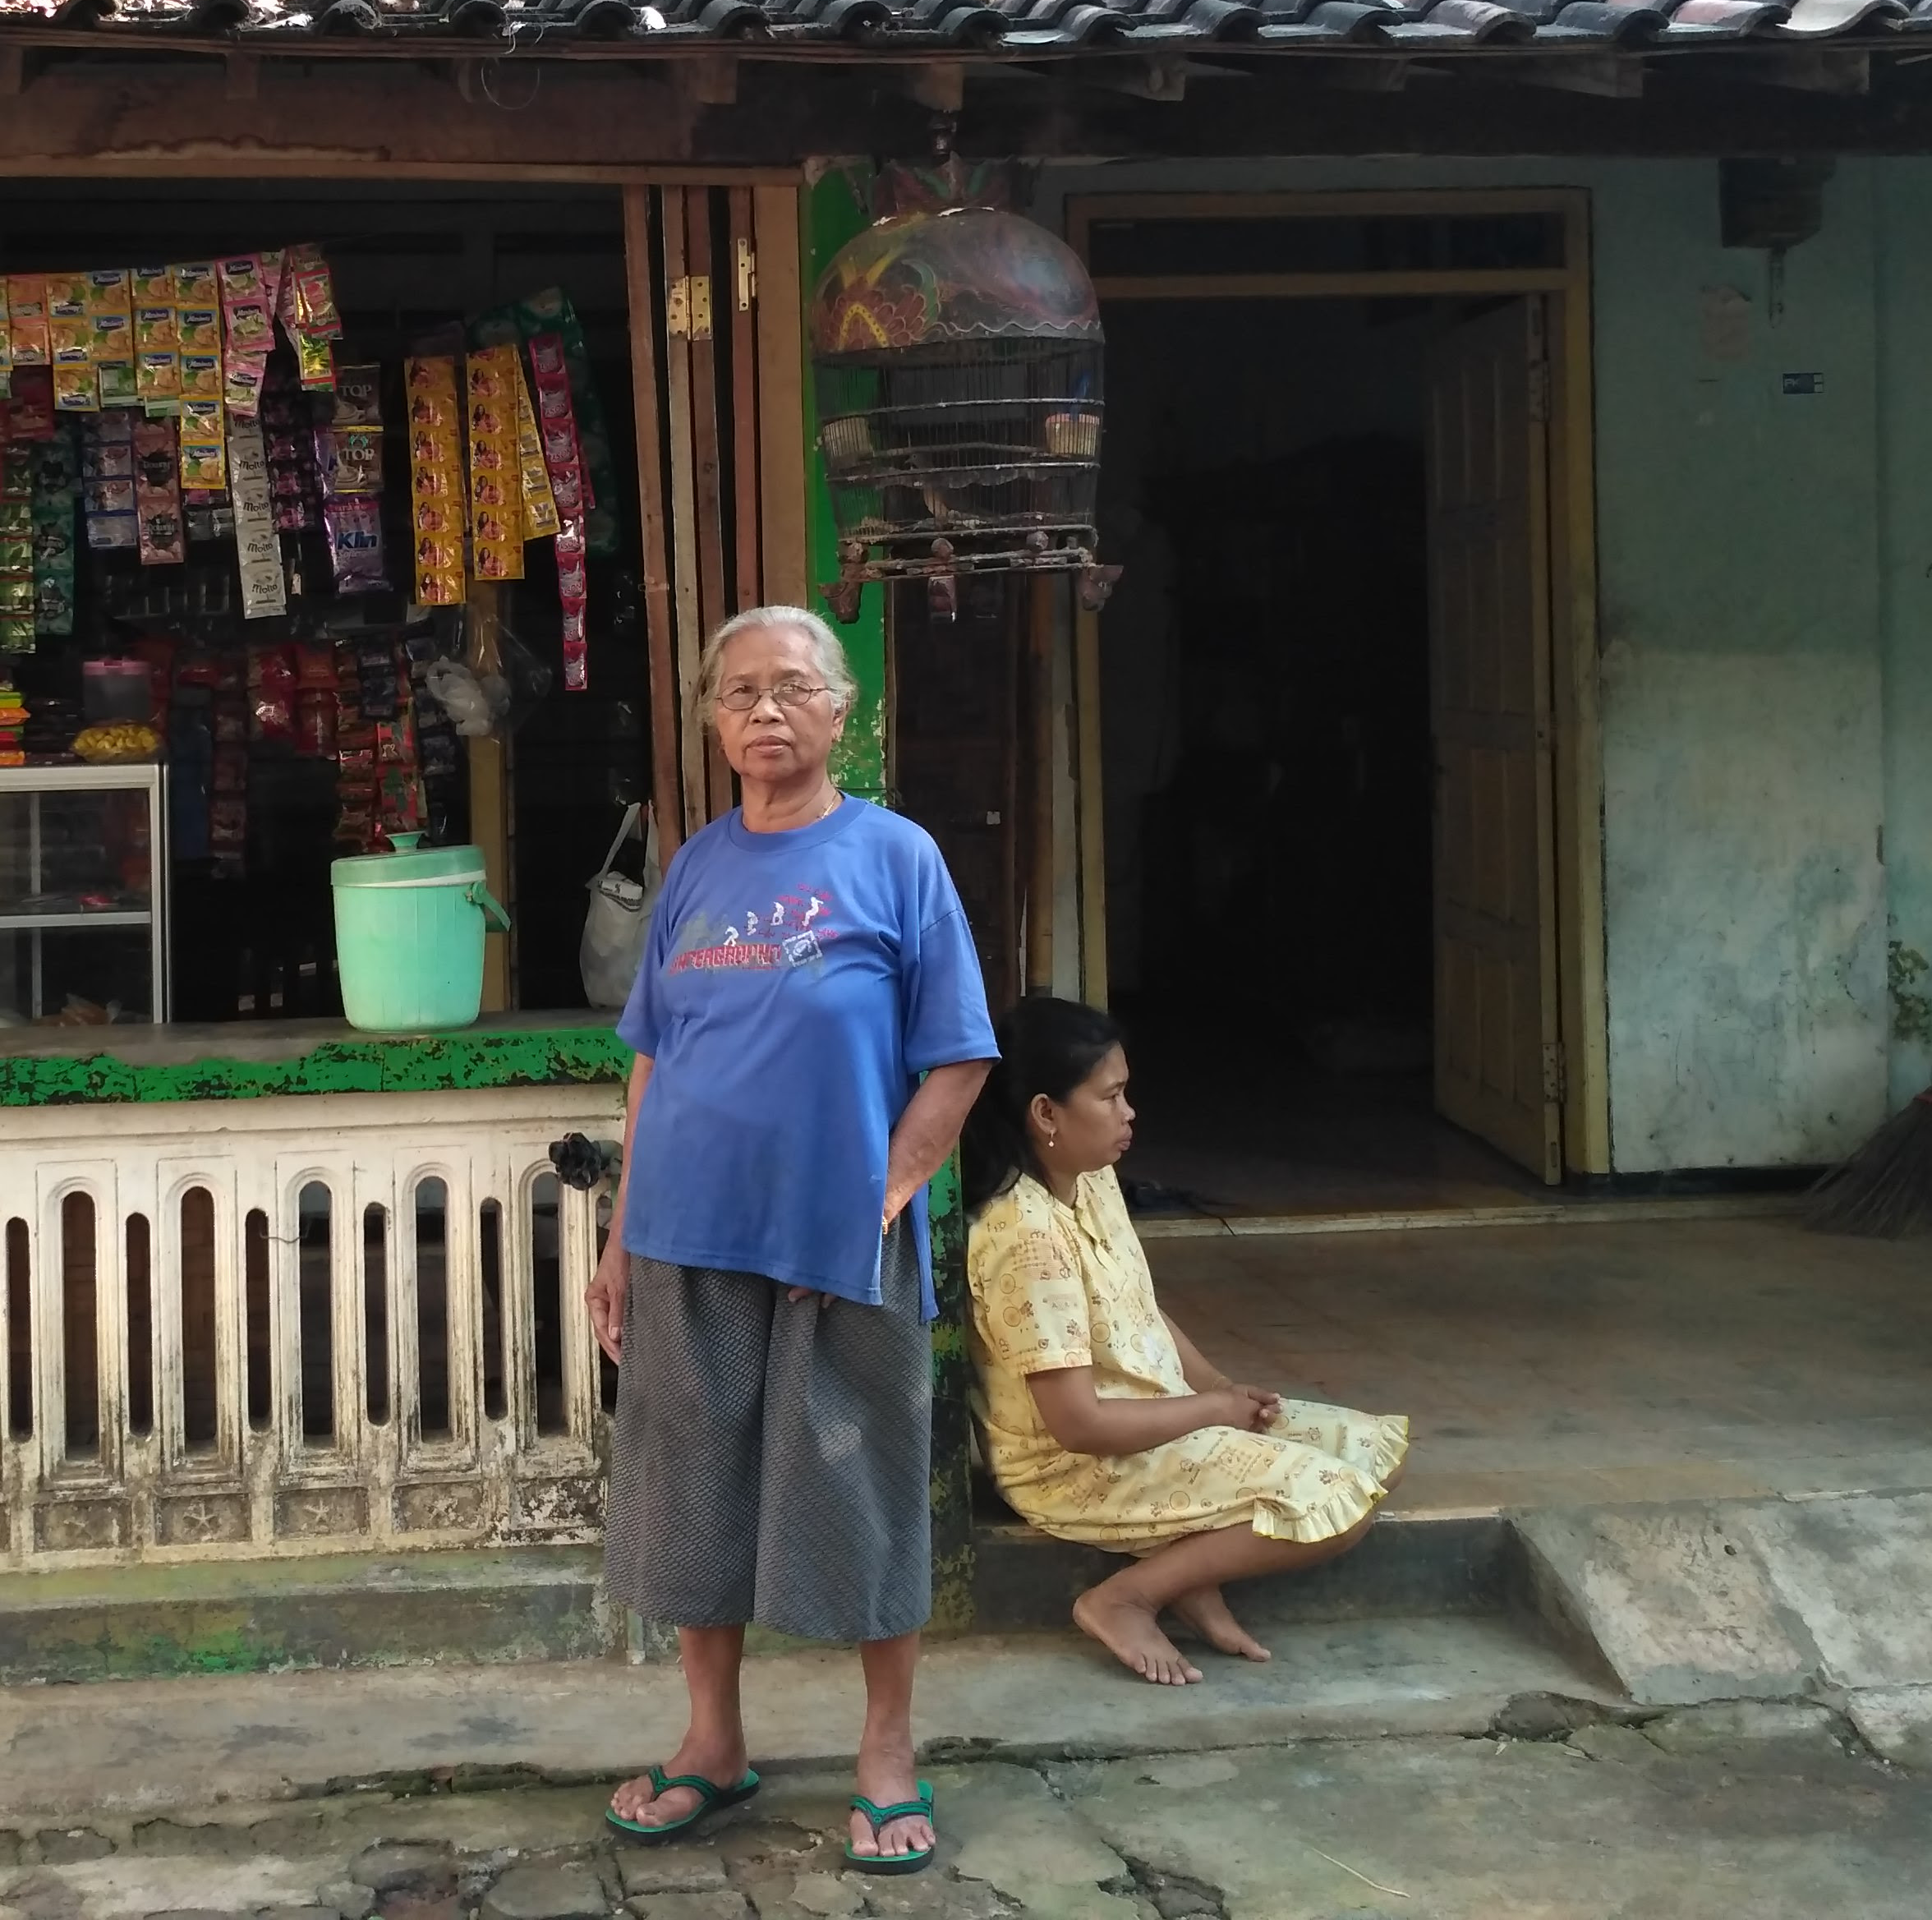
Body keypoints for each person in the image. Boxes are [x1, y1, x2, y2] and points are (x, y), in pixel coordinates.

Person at [589, 603, 997, 1874]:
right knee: (691, 1489)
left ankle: (886, 1754)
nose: (764, 711)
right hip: (686, 1231)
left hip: (837, 1238)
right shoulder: (698, 867)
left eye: (791, 688)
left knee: (863, 1490)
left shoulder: (896, 857)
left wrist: (899, 1184)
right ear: (714, 722)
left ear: (841, 709)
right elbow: (654, 1058)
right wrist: (618, 1232)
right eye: (739, 693)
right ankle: (712, 1743)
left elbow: (961, 1054)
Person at [962, 995, 1409, 1687]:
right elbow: (1078, 1425)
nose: (1129, 1112)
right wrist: (1213, 1414)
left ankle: (1181, 1572)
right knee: (1336, 1509)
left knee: (1370, 1456)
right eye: (1110, 1097)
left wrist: (1219, 1390)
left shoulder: (1093, 1179)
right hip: (1072, 1466)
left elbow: (1139, 1309)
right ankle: (1124, 1597)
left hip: (1155, 1418)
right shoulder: (1026, 1238)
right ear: (1046, 1113)